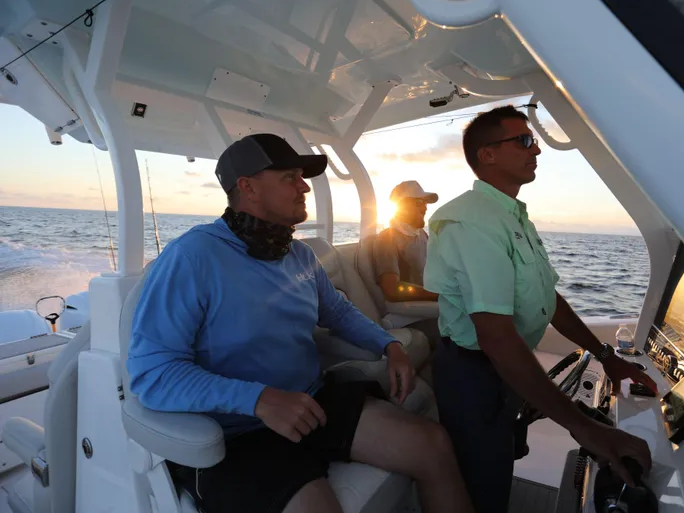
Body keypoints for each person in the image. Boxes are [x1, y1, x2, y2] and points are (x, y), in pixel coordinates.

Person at [127, 134, 475, 513]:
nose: (304, 186)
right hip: (239, 433)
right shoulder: (192, 258)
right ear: (248, 187)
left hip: (311, 402)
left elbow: (338, 313)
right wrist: (258, 399)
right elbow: (154, 374)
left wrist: (388, 345)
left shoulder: (299, 254)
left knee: (433, 445)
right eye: (290, 177)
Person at [424, 106, 658, 513]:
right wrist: (586, 429)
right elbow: (496, 336)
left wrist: (608, 358)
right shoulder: (472, 222)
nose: (537, 151)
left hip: (506, 369)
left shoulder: (513, 217)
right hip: (475, 375)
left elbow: (548, 300)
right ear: (488, 154)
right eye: (525, 141)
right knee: (481, 484)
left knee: (499, 465)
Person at [373, 181, 440, 349]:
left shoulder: (422, 236)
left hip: (431, 306)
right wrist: (439, 295)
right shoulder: (387, 239)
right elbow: (392, 289)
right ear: (402, 205)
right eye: (419, 202)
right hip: (410, 314)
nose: (425, 207)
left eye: (425, 203)